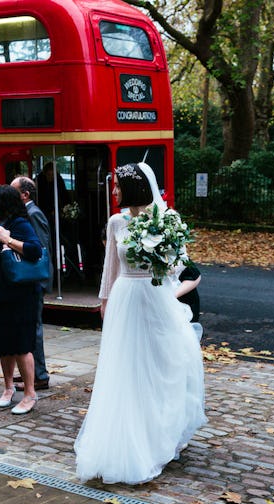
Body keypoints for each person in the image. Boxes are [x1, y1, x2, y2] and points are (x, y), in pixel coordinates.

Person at [74, 163, 206, 485]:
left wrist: (161, 265)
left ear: (133, 189)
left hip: (156, 298)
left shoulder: (167, 221)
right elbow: (110, 268)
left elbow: (178, 265)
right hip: (125, 300)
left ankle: (162, 432)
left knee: (161, 366)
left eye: (118, 187)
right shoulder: (116, 222)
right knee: (126, 369)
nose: (115, 191)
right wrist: (104, 302)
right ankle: (127, 437)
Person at [0, 184, 44, 415]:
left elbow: (35, 250)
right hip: (0, 294)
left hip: (19, 295)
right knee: (4, 345)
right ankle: (8, 388)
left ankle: (30, 394)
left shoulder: (20, 224)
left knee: (21, 345)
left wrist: (8, 240)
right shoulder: (3, 224)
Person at [11, 176, 51, 391]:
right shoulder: (29, 212)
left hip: (35, 281)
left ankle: (40, 375)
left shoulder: (33, 214)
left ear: (24, 195)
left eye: (13, 191)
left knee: (33, 328)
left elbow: (40, 250)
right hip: (33, 281)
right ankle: (31, 372)